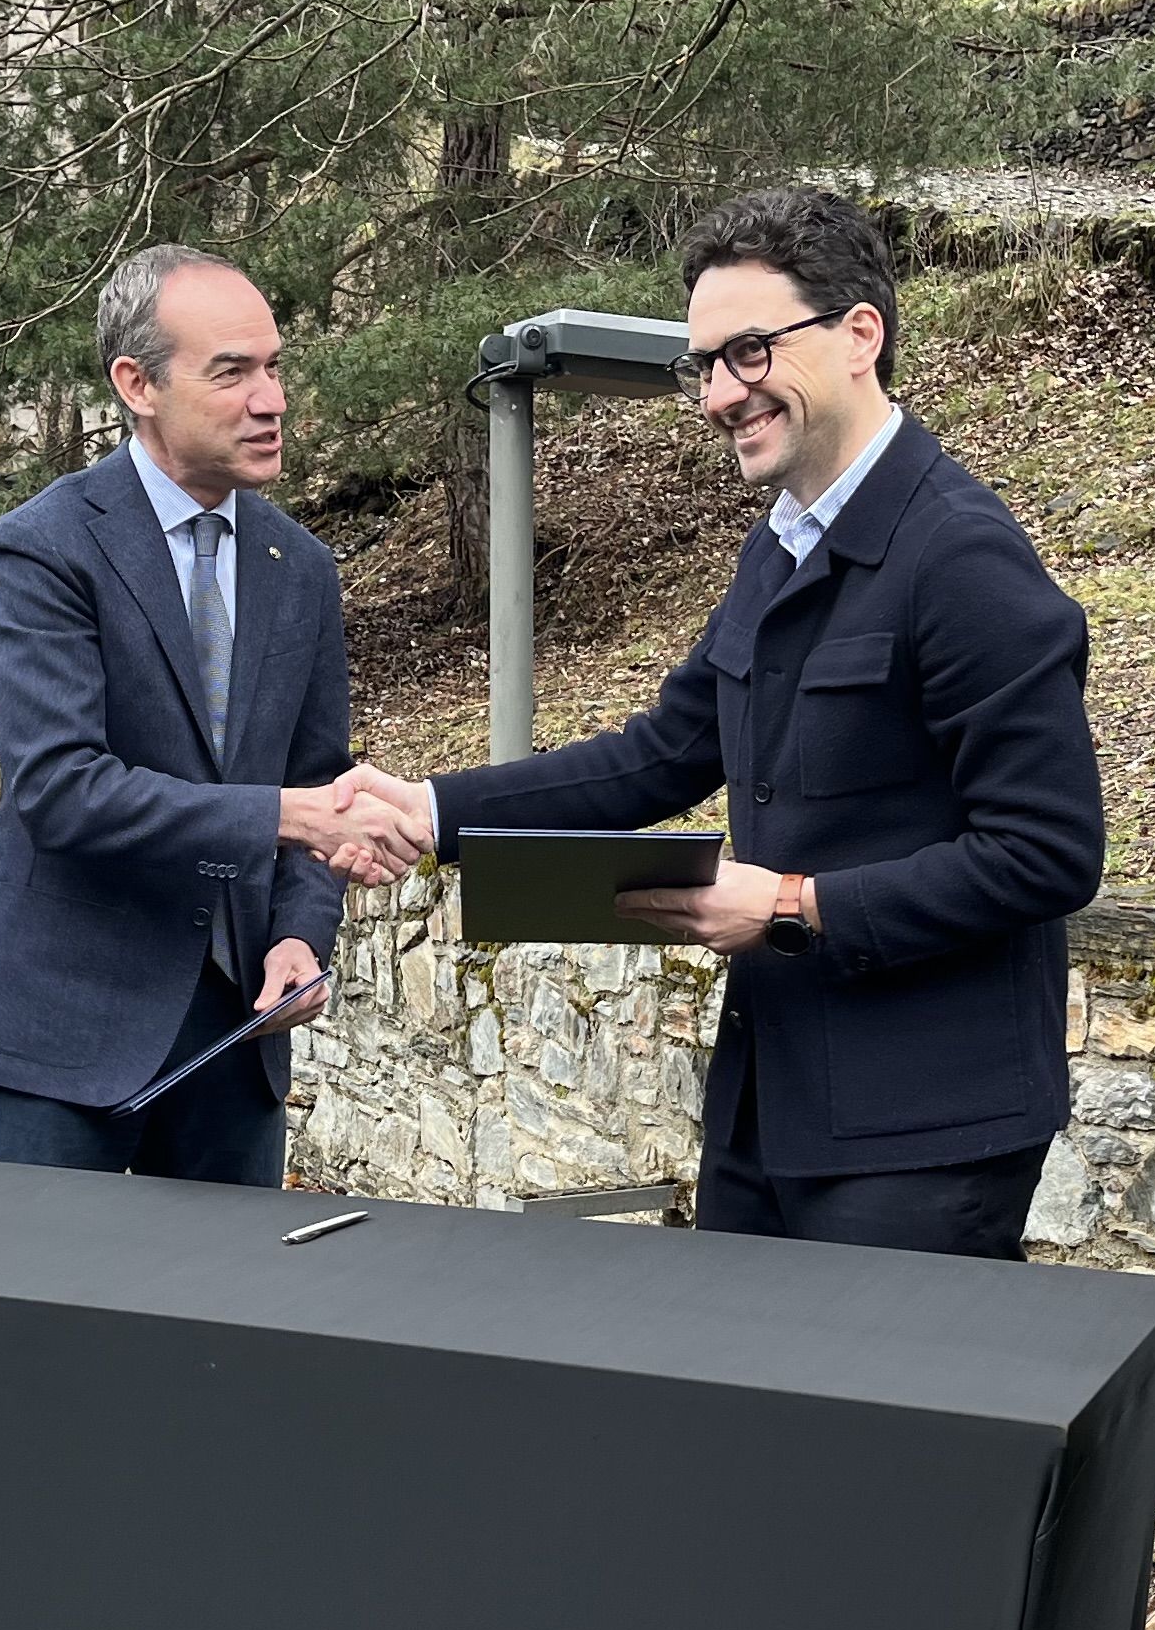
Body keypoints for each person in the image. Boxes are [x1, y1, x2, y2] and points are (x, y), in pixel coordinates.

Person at [344, 185, 1101, 1259]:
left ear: (859, 336)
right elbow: (660, 755)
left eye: (747, 352)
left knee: (868, 1434)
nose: (715, 394)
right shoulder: (779, 548)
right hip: (770, 1110)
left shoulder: (961, 556)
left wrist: (794, 904)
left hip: (923, 1136)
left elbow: (1047, 854)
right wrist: (427, 809)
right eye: (701, 364)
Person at [0, 246, 415, 1184]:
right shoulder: (44, 547)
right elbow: (62, 789)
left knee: (225, 1328)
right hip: (59, 1042)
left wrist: (299, 936)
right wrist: (285, 813)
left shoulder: (302, 568)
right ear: (137, 384)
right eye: (231, 372)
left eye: (275, 366)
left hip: (234, 1043)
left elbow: (318, 781)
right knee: (49, 1326)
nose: (272, 398)